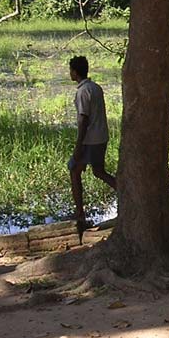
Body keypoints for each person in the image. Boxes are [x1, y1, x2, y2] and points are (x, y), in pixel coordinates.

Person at [68, 56, 116, 230]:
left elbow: (83, 119)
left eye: (71, 70)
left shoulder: (82, 91)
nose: (70, 73)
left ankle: (79, 212)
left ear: (74, 72)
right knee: (99, 171)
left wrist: (78, 145)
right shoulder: (96, 87)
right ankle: (126, 196)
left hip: (90, 140)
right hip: (101, 137)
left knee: (74, 170)